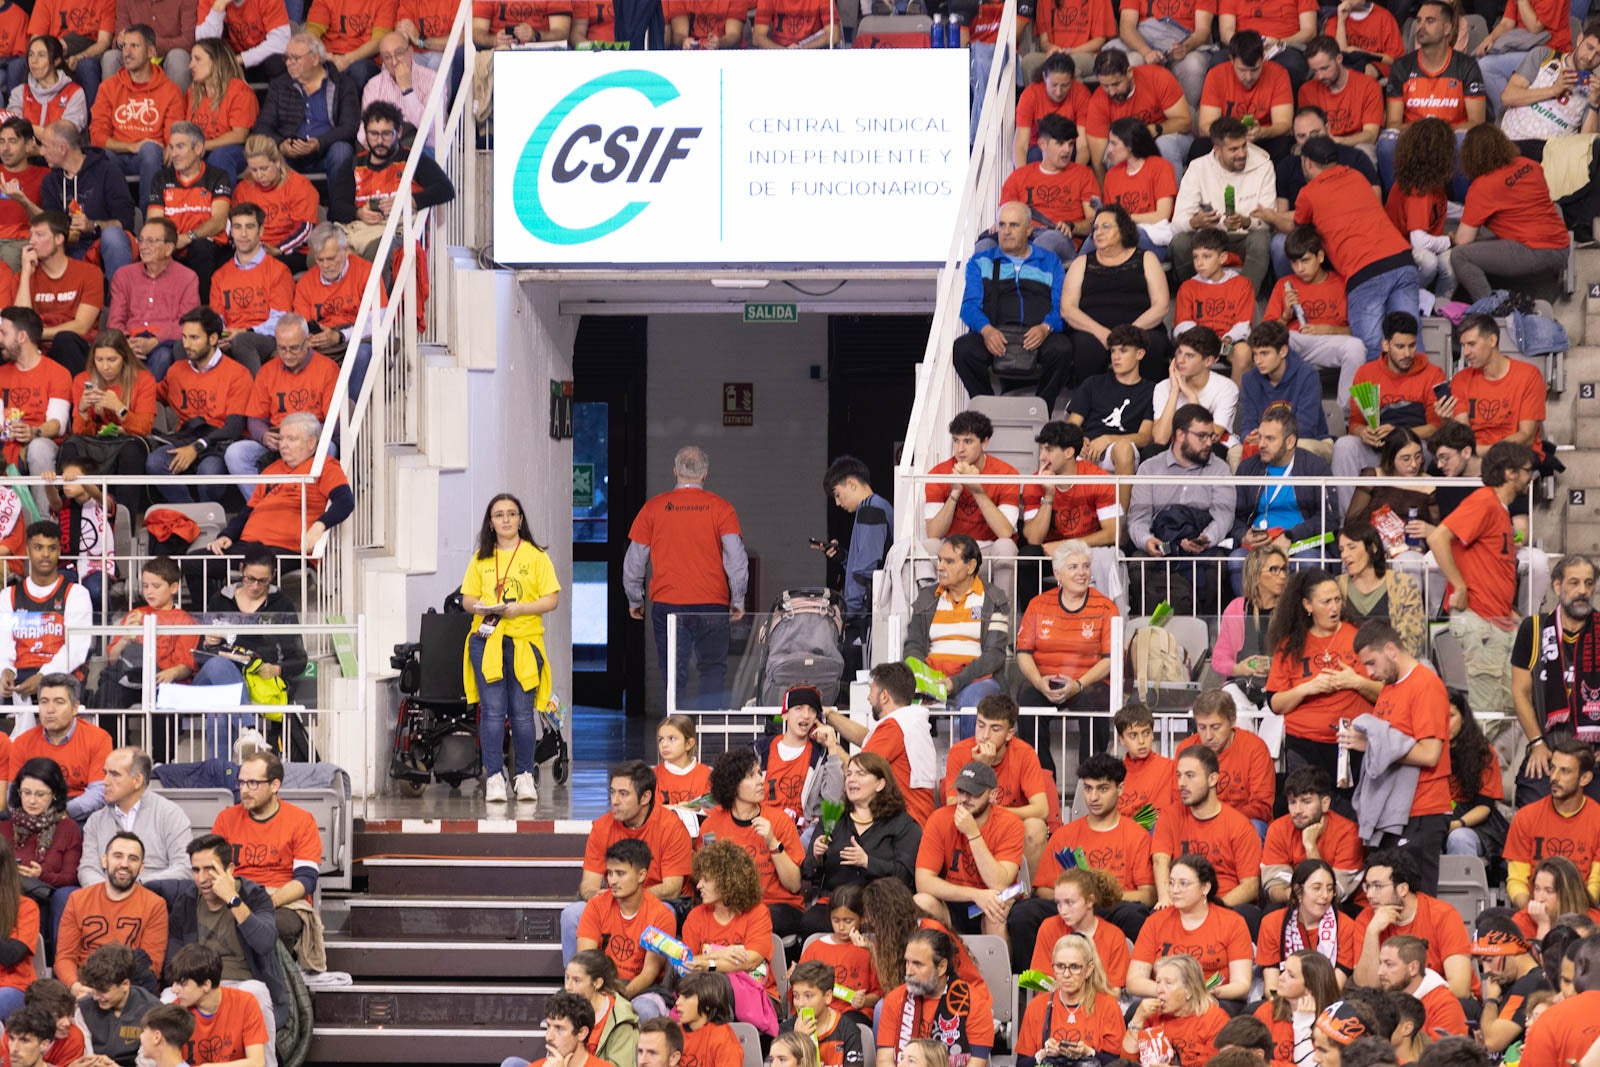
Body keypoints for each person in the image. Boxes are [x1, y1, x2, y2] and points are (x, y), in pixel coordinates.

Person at [624, 445, 746, 711]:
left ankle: (676, 739)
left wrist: (635, 598)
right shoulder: (722, 508)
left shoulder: (653, 508)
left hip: (668, 605)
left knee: (673, 674)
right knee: (713, 670)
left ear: (675, 472)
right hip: (712, 605)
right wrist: (737, 597)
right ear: (705, 475)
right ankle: (711, 735)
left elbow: (634, 560)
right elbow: (736, 557)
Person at [458, 491, 559, 804]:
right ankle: (494, 777)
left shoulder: (536, 556)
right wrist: (481, 607)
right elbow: (467, 599)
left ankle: (525, 776)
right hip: (487, 642)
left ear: (521, 519)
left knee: (522, 714)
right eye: (499, 515)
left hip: (525, 642)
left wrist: (521, 609)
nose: (505, 519)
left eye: (511, 514)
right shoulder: (481, 559)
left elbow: (551, 599)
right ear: (490, 522)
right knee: (491, 712)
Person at [1280, 136, 1419, 363]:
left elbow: (1299, 229)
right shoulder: (1357, 176)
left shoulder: (1309, 192)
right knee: (1410, 342)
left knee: (1369, 350)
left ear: (1307, 163)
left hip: (1365, 270)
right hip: (1402, 260)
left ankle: (1377, 400)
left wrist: (1271, 216)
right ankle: (1422, 397)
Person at [1427, 440, 1537, 717]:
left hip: (1497, 620)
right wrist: (1459, 585)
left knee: (1509, 710)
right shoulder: (1484, 501)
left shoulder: (1496, 507)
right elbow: (1438, 536)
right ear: (1510, 473)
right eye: (1527, 471)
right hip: (1480, 620)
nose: (1531, 477)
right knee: (1488, 715)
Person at [1346, 619, 1451, 890]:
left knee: (1415, 900)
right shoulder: (1390, 687)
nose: (1369, 673)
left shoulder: (1425, 684)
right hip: (1393, 812)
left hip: (1422, 810)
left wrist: (1372, 745)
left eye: (1371, 663)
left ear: (1391, 650)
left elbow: (1430, 753)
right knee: (1385, 899)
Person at [148, 834, 287, 1037]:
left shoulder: (254, 896)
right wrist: (199, 987)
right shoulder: (186, 901)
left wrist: (232, 898)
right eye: (196, 870)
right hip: (198, 985)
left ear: (229, 870)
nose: (201, 879)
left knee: (256, 992)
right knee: (168, 998)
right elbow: (172, 964)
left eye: (209, 869)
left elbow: (264, 943)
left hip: (243, 985)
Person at [561, 761, 692, 961]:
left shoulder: (671, 827)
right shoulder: (602, 826)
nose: (614, 801)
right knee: (572, 914)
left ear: (645, 797)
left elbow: (672, 888)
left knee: (665, 912)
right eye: (612, 792)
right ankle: (579, 985)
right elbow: (588, 885)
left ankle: (651, 987)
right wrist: (604, 897)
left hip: (657, 903)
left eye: (623, 794)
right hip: (614, 901)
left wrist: (628, 897)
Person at [203, 410, 352, 585]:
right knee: (194, 563)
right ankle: (218, 611)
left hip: (287, 548)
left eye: (292, 439)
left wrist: (319, 526)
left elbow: (345, 501)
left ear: (312, 442)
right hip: (249, 546)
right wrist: (226, 535)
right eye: (281, 439)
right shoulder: (271, 470)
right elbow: (248, 511)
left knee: (259, 570)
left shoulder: (325, 467)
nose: (283, 445)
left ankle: (254, 611)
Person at [952, 201, 1071, 410]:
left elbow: (1061, 305)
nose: (1006, 231)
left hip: (1037, 334)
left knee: (1063, 349)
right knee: (963, 349)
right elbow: (969, 307)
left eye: (1014, 225)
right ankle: (986, 407)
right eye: (1002, 225)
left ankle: (1042, 408)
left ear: (1029, 230)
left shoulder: (1049, 261)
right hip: (996, 335)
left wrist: (1045, 328)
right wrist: (987, 330)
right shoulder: (980, 261)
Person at [194, 551, 312, 760]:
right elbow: (198, 655)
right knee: (218, 664)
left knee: (220, 711)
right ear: (241, 571)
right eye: (250, 579)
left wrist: (277, 669)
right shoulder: (220, 600)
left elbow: (299, 658)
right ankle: (249, 727)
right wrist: (206, 642)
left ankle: (222, 776)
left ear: (273, 576)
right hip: (211, 678)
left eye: (263, 581)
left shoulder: (281, 605)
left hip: (253, 683)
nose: (255, 586)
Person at [1267, 569, 1379, 786]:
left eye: (1337, 600)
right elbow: (1275, 703)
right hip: (1305, 744)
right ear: (1307, 605)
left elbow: (1387, 692)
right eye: (1326, 602)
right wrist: (1307, 688)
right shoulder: (1291, 644)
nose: (1334, 607)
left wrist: (1356, 682)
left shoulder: (1361, 636)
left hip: (1356, 741)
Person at [1014, 541, 1118, 771]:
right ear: (1057, 573)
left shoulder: (1105, 607)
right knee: (1027, 699)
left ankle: (1091, 778)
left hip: (1088, 681)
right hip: (1045, 679)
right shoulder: (1038, 604)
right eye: (1073, 567)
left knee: (1097, 702)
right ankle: (1043, 782)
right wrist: (1039, 683)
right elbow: (1023, 653)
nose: (1081, 573)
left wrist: (1079, 684)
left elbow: (1110, 659)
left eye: (1085, 566)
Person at [210, 748, 322, 958]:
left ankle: (275, 986)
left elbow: (306, 880)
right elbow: (214, 870)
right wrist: (236, 899)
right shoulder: (226, 819)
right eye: (241, 782)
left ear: (274, 785)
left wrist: (267, 902)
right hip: (235, 894)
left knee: (271, 926)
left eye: (253, 783)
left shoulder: (301, 821)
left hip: (281, 901)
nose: (244, 790)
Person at [1126, 402, 1234, 615]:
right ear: (1180, 435)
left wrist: (1206, 539)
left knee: (1217, 565)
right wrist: (1146, 540)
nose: (1208, 443)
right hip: (1164, 544)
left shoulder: (1219, 468)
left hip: (1201, 542)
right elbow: (1138, 516)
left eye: (1211, 437)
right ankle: (1144, 628)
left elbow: (1224, 514)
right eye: (1201, 436)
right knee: (1138, 563)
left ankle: (1208, 628)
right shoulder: (1150, 468)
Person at [798, 752, 922, 933]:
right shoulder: (832, 817)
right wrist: (817, 857)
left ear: (880, 784)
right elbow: (808, 872)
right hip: (837, 904)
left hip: (883, 905)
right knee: (809, 923)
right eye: (849, 774)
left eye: (860, 774)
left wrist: (868, 862)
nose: (851, 780)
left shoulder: (903, 824)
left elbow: (905, 876)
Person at [1511, 556, 1600, 806]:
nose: (1583, 590)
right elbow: (1520, 693)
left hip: (1593, 753)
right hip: (1548, 749)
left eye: (1588, 583)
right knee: (1532, 806)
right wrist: (1537, 743)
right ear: (1557, 586)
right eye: (1574, 583)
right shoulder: (1533, 629)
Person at [1333, 313, 1445, 503]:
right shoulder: (1366, 372)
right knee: (1344, 446)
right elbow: (1355, 424)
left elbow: (1435, 427)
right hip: (1378, 450)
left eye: (1411, 346)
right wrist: (1364, 433)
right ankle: (1349, 524)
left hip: (1416, 447)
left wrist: (1399, 433)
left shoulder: (1433, 374)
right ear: (1386, 345)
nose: (1407, 354)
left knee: (1420, 450)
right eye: (1400, 347)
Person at [1453, 125, 1573, 302]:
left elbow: (1463, 240)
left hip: (1535, 251)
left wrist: (1451, 237)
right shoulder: (1530, 165)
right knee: (1553, 206)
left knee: (1460, 255)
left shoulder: (1482, 186)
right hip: (1561, 246)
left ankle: (1490, 308)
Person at [144, 305, 251, 503]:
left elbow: (234, 427)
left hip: (218, 442)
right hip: (185, 437)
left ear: (212, 339)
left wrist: (197, 447)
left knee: (209, 473)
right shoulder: (176, 370)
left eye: (194, 338)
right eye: (184, 337)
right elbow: (149, 395)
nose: (186, 344)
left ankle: (207, 518)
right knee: (155, 462)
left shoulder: (238, 374)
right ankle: (190, 517)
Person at [1377, 0, 1486, 191]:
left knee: (1464, 140)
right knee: (1386, 142)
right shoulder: (1401, 66)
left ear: (1447, 28)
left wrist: (1439, 133)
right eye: (1418, 21)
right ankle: (1397, 205)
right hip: (1413, 137)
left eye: (1429, 21)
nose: (1421, 26)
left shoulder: (1466, 65)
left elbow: (1477, 121)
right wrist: (1425, 133)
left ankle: (1464, 211)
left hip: (1452, 137)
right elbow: (1393, 123)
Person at [1228, 406, 1339, 594]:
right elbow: (1234, 517)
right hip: (1258, 547)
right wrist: (1243, 535)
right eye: (1260, 437)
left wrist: (1290, 536)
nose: (1261, 444)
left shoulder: (1315, 467)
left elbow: (1329, 519)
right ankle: (1252, 619)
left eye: (1270, 439)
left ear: (1290, 441)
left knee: (1310, 561)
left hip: (1300, 544)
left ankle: (1301, 621)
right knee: (1236, 561)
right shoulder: (1248, 467)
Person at [698, 749, 805, 940]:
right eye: (750, 776)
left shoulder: (779, 821)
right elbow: (709, 880)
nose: (760, 781)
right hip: (730, 905)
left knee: (758, 919)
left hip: (777, 904)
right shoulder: (711, 826)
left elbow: (794, 885)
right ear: (732, 785)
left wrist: (772, 842)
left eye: (759, 773)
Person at [1152, 748, 1264, 930]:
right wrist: (1166, 898)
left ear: (1212, 779)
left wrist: (1211, 908)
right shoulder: (1170, 815)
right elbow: (1160, 860)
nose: (1181, 783)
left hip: (1225, 903)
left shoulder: (1239, 825)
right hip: (1181, 902)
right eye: (1179, 776)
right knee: (1155, 917)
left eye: (1190, 776)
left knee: (1249, 915)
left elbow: (1250, 886)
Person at [938, 695, 1050, 877]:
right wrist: (982, 768)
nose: (984, 735)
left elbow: (1042, 810)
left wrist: (997, 813)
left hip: (1008, 830)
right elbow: (954, 805)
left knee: (1036, 827)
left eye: (995, 728)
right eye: (980, 725)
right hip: (970, 826)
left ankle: (1030, 898)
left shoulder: (1024, 753)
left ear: (1009, 734)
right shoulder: (959, 752)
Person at [913, 760, 1025, 939]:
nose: (963, 799)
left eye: (973, 793)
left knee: (995, 911)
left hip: (993, 901)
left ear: (993, 795)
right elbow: (923, 882)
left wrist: (973, 834)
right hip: (955, 901)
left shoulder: (1010, 823)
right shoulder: (939, 818)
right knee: (921, 902)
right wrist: (975, 895)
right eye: (960, 791)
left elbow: (999, 883)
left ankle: (1001, 968)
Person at [1061, 205, 1173, 385]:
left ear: (1123, 230)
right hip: (1092, 332)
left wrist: (1129, 333)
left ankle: (1148, 405)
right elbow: (1068, 309)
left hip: (1140, 329)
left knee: (1152, 345)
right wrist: (1101, 333)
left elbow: (1161, 306)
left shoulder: (1146, 258)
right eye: (1095, 228)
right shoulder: (1081, 262)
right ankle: (1088, 406)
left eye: (1106, 227)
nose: (1098, 232)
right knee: (1085, 347)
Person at [254, 33, 359, 220]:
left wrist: (319, 143)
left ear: (315, 58)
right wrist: (281, 144)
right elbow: (263, 126)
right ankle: (278, 221)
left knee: (342, 150)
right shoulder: (279, 85)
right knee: (263, 153)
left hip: (325, 151)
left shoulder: (341, 84)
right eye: (287, 58)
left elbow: (349, 127)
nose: (288, 63)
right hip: (289, 154)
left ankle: (340, 217)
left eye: (295, 58)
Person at [902, 535, 1011, 715]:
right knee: (897, 699)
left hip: (977, 680)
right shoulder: (927, 597)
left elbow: (994, 656)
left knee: (970, 703)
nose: (940, 567)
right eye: (940, 560)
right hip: (932, 681)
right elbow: (913, 645)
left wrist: (956, 681)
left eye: (949, 561)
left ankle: (967, 745)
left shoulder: (994, 599)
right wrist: (925, 680)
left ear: (971, 566)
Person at [1263, 226, 1368, 407]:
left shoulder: (1342, 283)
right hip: (1294, 342)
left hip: (1328, 342)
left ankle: (1346, 413)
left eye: (1305, 261)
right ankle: (1278, 408)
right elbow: (1266, 338)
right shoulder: (1284, 284)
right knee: (1276, 343)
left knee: (1356, 347)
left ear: (1320, 256)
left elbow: (1359, 330)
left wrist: (1327, 330)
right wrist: (1286, 314)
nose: (1300, 268)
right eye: (1294, 263)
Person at [1170, 116, 1277, 292]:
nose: (1242, 153)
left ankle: (1243, 297)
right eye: (1233, 149)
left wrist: (1247, 221)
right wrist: (1194, 222)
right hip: (1208, 237)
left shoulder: (1264, 165)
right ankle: (1195, 295)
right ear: (1217, 149)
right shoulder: (1198, 168)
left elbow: (1270, 221)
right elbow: (1177, 224)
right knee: (1180, 243)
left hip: (1245, 237)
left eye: (1244, 146)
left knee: (1260, 239)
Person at [1351, 848, 1474, 999]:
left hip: (1440, 1002)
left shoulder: (1443, 915)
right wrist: (1372, 933)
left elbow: (1460, 988)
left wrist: (1410, 1007)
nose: (1369, 895)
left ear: (1402, 889)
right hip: (1391, 1007)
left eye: (1378, 886)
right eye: (1367, 886)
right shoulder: (1367, 919)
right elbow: (1366, 987)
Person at [55, 830, 168, 994]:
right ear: (104, 860)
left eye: (133, 858)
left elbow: (152, 965)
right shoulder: (78, 899)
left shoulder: (155, 904)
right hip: (84, 987)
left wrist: (115, 993)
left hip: (130, 990)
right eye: (118, 856)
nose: (124, 864)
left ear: (141, 867)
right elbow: (65, 957)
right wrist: (75, 986)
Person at [88, 26, 184, 211]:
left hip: (151, 159)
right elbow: (97, 136)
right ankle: (118, 217)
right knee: (100, 156)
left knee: (150, 149)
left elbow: (172, 135)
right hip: (116, 154)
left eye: (134, 46)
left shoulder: (169, 90)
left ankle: (151, 218)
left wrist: (169, 146)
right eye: (124, 46)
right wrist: (130, 146)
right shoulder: (108, 87)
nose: (127, 52)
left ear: (151, 51)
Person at [346, 99, 455, 259]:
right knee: (319, 252)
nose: (379, 141)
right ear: (365, 133)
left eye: (386, 134)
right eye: (374, 134)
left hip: (400, 230)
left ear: (399, 132)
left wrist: (407, 201)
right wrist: (359, 213)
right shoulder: (354, 164)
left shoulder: (413, 159)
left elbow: (446, 189)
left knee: (378, 249)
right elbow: (337, 206)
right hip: (360, 227)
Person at [0, 521, 92, 706]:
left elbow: (77, 648)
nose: (45, 554)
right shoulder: (7, 595)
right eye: (38, 547)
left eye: (52, 548)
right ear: (27, 550)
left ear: (59, 551)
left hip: (62, 676)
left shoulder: (76, 593)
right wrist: (5, 670)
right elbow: (3, 642)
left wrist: (43, 675)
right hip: (19, 675)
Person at [1063, 326, 1157, 504]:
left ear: (1140, 354)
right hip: (1087, 448)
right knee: (1061, 445)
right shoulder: (1093, 383)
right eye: (1113, 350)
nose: (1116, 356)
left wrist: (1108, 439)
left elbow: (1146, 437)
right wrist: (1077, 440)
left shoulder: (1151, 390)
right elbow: (1072, 424)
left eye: (1123, 350)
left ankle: (1121, 521)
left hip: (1122, 453)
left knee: (1122, 447)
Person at [33, 120, 134, 284]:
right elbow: (53, 223)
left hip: (103, 245)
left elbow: (126, 220)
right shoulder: (50, 181)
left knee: (113, 236)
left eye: (44, 146)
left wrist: (92, 225)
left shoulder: (108, 171)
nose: (41, 152)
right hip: (70, 247)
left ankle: (121, 301)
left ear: (62, 148)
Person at [874, 928, 994, 1067]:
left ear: (942, 967)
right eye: (907, 962)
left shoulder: (974, 1002)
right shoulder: (895, 999)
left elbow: (977, 1064)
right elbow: (884, 1061)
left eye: (917, 964)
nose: (908, 971)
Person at [574, 838, 675, 1002]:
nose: (612, 881)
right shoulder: (596, 905)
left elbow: (649, 972)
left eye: (620, 873)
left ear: (641, 875)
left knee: (645, 1008)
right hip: (602, 985)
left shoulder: (661, 915)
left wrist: (619, 999)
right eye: (610, 873)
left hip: (644, 990)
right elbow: (586, 962)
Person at [79, 747, 193, 886]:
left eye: (114, 774)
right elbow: (87, 869)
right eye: (105, 773)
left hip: (155, 895)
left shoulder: (170, 814)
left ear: (137, 780)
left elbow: (185, 867)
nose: (105, 781)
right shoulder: (96, 820)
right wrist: (109, 892)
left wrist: (138, 885)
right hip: (107, 898)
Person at [1504, 739, 1600, 905]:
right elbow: (1516, 881)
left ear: (1584, 778)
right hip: (1533, 908)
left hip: (1581, 913)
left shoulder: (1597, 818)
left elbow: (1595, 884)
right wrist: (1531, 910)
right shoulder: (1526, 817)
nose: (1554, 777)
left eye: (1564, 771)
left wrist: (1573, 913)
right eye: (1553, 768)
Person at [145, 121, 230, 304]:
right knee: (153, 247)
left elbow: (219, 221)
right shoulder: (161, 178)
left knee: (201, 247)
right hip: (172, 248)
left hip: (207, 249)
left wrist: (188, 237)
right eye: (172, 147)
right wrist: (172, 241)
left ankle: (202, 312)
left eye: (180, 147)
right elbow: (154, 221)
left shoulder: (217, 177)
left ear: (198, 148)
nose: (174, 154)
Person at [994, 116, 1097, 265]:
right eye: (1060, 144)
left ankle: (1026, 283)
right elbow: (1006, 216)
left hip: (1063, 239)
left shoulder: (1084, 174)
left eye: (1071, 144)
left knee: (1047, 240)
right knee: (986, 245)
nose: (1067, 150)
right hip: (1025, 236)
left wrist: (1072, 226)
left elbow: (1094, 222)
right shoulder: (1019, 176)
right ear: (1042, 144)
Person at [210, 217, 303, 382]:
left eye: (250, 227)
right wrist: (221, 335)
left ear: (260, 231)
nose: (243, 233)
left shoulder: (278, 270)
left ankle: (256, 398)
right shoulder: (220, 275)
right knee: (191, 344)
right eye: (238, 227)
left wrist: (245, 331)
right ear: (231, 232)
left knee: (243, 341)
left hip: (266, 338)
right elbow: (217, 320)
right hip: (230, 337)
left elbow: (280, 321)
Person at [106, 217, 198, 381]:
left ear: (169, 248)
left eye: (151, 241)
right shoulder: (124, 275)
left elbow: (187, 323)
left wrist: (155, 341)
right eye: (141, 240)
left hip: (164, 343)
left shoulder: (187, 278)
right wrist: (127, 343)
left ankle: (144, 402)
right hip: (129, 341)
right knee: (109, 354)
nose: (143, 246)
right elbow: (115, 320)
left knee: (163, 355)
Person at [10, 673, 111, 819]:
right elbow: (13, 793)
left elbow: (98, 792)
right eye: (44, 702)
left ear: (75, 707)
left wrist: (60, 812)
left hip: (78, 813)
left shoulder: (99, 738)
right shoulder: (22, 742)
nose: (50, 710)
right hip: (33, 812)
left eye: (59, 702)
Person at [1083, 48, 1194, 180]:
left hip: (1166, 136)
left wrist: (1156, 129)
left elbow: (1185, 122)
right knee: (1113, 154)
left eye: (1116, 84)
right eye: (1105, 86)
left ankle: (1172, 199)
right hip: (1126, 144)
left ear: (1129, 73)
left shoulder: (1157, 77)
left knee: (1164, 145)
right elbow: (1098, 160)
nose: (1111, 92)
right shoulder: (1098, 100)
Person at [1016, 931, 1126, 1065]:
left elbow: (1120, 1063)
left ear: (1089, 969)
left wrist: (1089, 1052)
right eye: (1060, 966)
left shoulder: (1108, 1006)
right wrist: (1043, 1054)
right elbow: (1021, 1064)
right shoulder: (1037, 1006)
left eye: (1074, 967)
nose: (1066, 974)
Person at [16, 211, 104, 376]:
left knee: (65, 339)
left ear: (59, 239)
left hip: (76, 350)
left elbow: (81, 327)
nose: (32, 241)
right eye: (31, 235)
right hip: (37, 351)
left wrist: (38, 333)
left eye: (40, 235)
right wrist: (26, 273)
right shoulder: (24, 277)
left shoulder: (90, 273)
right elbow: (21, 322)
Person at [61, 330, 157, 481]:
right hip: (95, 442)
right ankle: (74, 503)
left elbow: (144, 428)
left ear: (124, 358)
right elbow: (79, 433)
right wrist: (82, 410)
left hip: (127, 441)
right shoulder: (82, 380)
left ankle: (125, 505)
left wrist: (119, 408)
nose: (105, 367)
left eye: (112, 360)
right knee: (70, 446)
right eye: (99, 360)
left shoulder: (144, 380)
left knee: (131, 451)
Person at [1176, 689, 1275, 830]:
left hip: (1241, 823)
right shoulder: (1186, 748)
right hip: (1197, 823)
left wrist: (1217, 818)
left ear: (1232, 721)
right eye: (1202, 727)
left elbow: (1261, 807)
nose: (1208, 736)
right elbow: (1177, 800)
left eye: (1215, 727)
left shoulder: (1254, 748)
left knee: (1256, 826)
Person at [1257, 863, 1360, 993]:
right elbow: (1271, 987)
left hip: (1327, 1001)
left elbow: (1335, 988)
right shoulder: (1272, 923)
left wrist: (1309, 1008)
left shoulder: (1346, 926)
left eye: (1330, 889)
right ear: (1298, 891)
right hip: (1283, 999)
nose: (1325, 896)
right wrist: (1282, 1005)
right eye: (1317, 888)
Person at [1385, 118, 1457, 301]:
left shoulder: (1432, 181)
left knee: (1452, 262)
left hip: (1421, 244)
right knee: (1429, 261)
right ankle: (1406, 300)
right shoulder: (1419, 191)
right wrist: (1449, 241)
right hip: (1400, 250)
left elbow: (1439, 208)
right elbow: (1420, 242)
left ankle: (1440, 307)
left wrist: (1471, 214)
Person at [166, 943, 271, 1067]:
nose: (174, 990)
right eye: (174, 983)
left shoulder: (246, 1003)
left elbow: (257, 1063)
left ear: (206, 985)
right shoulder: (174, 1014)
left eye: (182, 984)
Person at [2, 757, 82, 918]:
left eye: (40, 794)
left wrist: (41, 876)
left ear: (54, 795)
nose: (32, 800)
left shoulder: (68, 828)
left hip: (44, 899)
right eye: (26, 792)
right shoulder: (3, 827)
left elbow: (71, 878)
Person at [1500, 17, 1600, 145]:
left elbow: (1587, 146)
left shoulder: (1595, 89)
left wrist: (1594, 104)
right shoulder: (1544, 56)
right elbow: (1507, 97)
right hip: (1511, 140)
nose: (1590, 57)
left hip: (1550, 154)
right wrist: (1553, 90)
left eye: (1598, 55)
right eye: (1589, 47)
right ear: (1580, 39)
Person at [1196, 31, 1295, 159]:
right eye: (1242, 70)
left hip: (1262, 138)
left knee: (1284, 144)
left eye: (1255, 70)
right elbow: (1205, 126)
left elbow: (1284, 124)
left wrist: (1262, 132)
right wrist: (1234, 136)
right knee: (1200, 146)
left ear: (1263, 57)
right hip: (1226, 139)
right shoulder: (1216, 75)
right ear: (1231, 60)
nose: (1248, 77)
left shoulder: (1279, 74)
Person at [1239, 324, 1333, 455]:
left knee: (1302, 446)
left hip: (1309, 440)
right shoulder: (1249, 379)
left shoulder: (1307, 374)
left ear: (1283, 351)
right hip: (1265, 441)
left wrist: (1271, 438)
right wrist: (1250, 436)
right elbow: (1247, 424)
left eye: (1264, 353)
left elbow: (1306, 428)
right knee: (1235, 452)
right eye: (1255, 354)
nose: (1258, 361)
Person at [1173, 228, 1255, 376]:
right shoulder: (1188, 286)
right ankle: (1191, 398)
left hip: (1227, 344)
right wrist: (1206, 339)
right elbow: (1182, 324)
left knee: (1243, 352)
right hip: (1198, 343)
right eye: (1195, 257)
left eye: (1206, 256)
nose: (1199, 263)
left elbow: (1243, 324)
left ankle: (1236, 398)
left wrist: (1227, 339)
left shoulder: (1241, 284)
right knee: (1186, 352)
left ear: (1222, 258)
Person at [822, 456, 892, 629]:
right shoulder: (876, 506)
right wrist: (843, 557)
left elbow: (866, 569)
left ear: (852, 484)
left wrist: (847, 614)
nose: (837, 503)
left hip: (869, 616)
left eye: (837, 494)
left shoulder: (871, 510)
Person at [1124, 953, 1230, 1065]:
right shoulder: (1150, 1014)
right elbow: (1126, 1063)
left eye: (1168, 983)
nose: (1159, 989)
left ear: (1189, 990)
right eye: (1158, 982)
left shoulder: (1216, 1020)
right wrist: (1137, 1019)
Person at [233, 135, 318, 270]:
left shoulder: (299, 185)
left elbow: (306, 230)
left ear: (277, 162)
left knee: (267, 266)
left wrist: (278, 250)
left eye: (264, 168)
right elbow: (236, 226)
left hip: (292, 251)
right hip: (254, 249)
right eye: (254, 170)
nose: (259, 175)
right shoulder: (243, 189)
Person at [1343, 438, 1437, 557]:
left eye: (1418, 457)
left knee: (1408, 558)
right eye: (1406, 459)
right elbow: (1351, 522)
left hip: (1412, 548)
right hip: (1373, 543)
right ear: (1391, 458)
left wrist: (1426, 530)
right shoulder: (1373, 476)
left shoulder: (1431, 483)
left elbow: (1438, 530)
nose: (1414, 464)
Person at [1215, 543, 1289, 696]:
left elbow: (1300, 657)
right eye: (1274, 570)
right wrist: (1238, 668)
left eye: (1284, 570)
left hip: (1281, 688)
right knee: (1230, 700)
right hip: (1243, 685)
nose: (1282, 576)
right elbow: (1219, 658)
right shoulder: (1236, 608)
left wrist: (1272, 664)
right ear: (1256, 575)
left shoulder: (1291, 609)